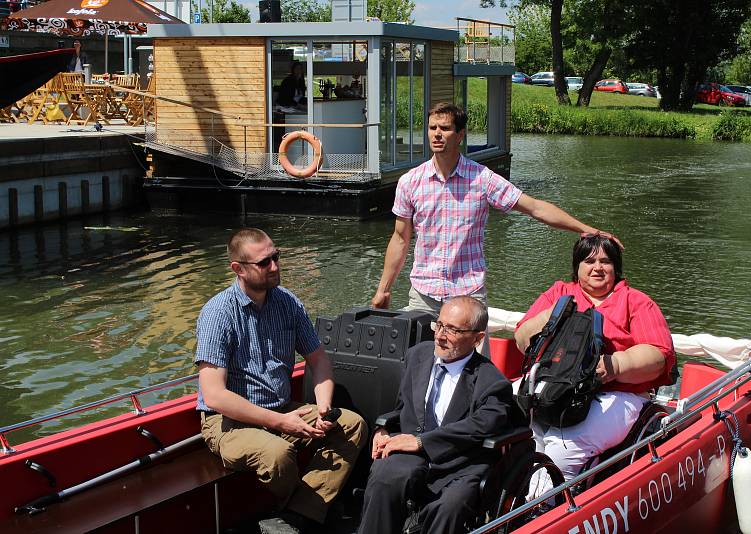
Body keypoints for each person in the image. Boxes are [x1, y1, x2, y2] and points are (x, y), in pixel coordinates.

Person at [370, 102, 620, 355]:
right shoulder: (410, 182)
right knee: (415, 366)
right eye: (432, 127)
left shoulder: (482, 179)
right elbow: (400, 239)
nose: (436, 134)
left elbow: (534, 208)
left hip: (468, 295)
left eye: (444, 128)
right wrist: (384, 289)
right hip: (423, 296)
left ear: (460, 135)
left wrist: (586, 229)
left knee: (477, 375)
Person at [195, 228, 367, 534]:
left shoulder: (287, 302)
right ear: (238, 269)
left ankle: (295, 518)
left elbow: (318, 360)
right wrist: (279, 421)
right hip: (229, 422)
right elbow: (215, 396)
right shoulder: (218, 313)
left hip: (283, 407)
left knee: (353, 425)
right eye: (264, 263)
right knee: (277, 454)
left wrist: (325, 407)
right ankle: (308, 512)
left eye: (276, 257)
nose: (275, 266)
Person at [514, 234, 675, 498]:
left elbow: (659, 356)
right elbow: (522, 339)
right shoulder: (559, 293)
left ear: (616, 268)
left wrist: (614, 365)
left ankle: (544, 505)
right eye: (589, 261)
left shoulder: (636, 302)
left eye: (605, 261)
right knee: (508, 423)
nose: (597, 267)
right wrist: (551, 316)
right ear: (577, 267)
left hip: (617, 393)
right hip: (553, 386)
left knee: (562, 446)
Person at [358, 296, 523, 534]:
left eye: (453, 330)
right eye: (440, 324)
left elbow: (482, 426)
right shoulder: (417, 356)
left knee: (449, 506)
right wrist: (383, 429)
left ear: (477, 338)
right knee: (385, 476)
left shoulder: (492, 381)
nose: (440, 335)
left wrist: (421, 442)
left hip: (462, 461)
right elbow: (403, 407)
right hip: (412, 450)